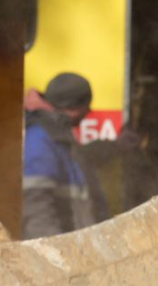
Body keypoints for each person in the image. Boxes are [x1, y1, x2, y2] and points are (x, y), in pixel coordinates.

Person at [22, 72, 108, 239]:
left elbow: (77, 161)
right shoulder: (41, 137)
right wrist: (52, 254)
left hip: (72, 250)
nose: (89, 111)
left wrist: (117, 146)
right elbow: (35, 206)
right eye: (86, 105)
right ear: (73, 109)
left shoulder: (54, 133)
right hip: (58, 253)